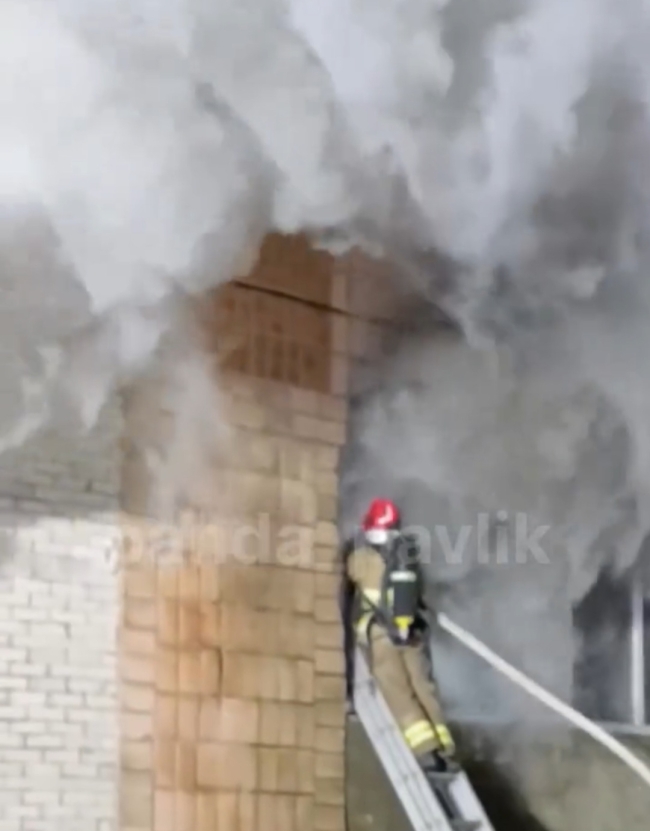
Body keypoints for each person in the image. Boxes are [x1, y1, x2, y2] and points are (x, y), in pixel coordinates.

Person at [340, 497, 457, 774]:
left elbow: (348, 576)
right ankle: (445, 746)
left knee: (397, 692)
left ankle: (426, 752)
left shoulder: (362, 558)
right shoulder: (408, 555)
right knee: (423, 687)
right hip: (413, 634)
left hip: (383, 636)